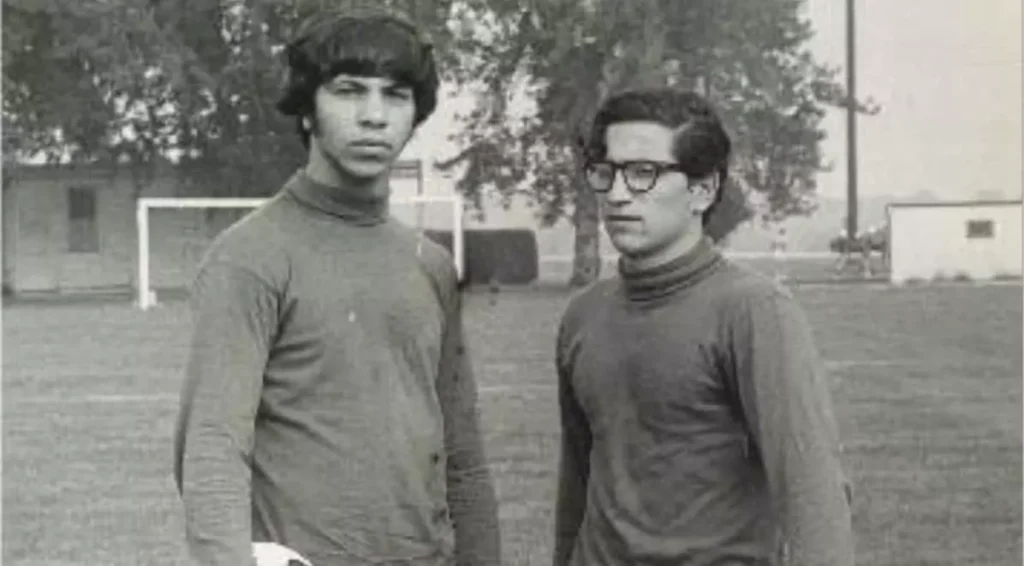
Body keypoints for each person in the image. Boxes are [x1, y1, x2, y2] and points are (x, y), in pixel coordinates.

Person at [172, 8, 501, 566]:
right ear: (307, 108)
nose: (374, 116)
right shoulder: (249, 257)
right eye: (349, 91)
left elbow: (462, 456)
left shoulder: (431, 264)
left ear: (415, 114)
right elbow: (212, 450)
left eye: (395, 95)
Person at [553, 87, 855, 566]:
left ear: (702, 190)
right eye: (606, 172)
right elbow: (576, 484)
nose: (616, 193)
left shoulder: (754, 311)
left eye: (643, 173)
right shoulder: (582, 317)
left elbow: (813, 493)